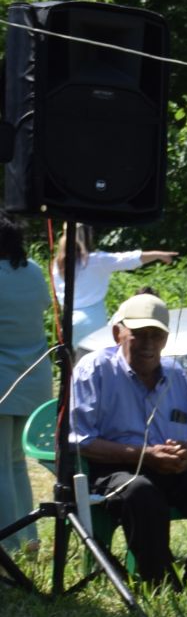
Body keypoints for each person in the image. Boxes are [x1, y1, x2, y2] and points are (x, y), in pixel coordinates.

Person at [68, 294, 187, 588]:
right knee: (140, 490)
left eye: (156, 336)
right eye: (139, 335)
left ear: (166, 339)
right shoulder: (94, 369)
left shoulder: (175, 375)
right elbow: (80, 441)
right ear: (118, 333)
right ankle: (160, 584)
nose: (148, 344)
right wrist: (145, 455)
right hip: (112, 471)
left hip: (170, 468)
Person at [0, 214, 51, 554]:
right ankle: (29, 537)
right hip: (34, 379)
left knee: (1, 466)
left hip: (3, 381)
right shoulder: (33, 271)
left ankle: (7, 542)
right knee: (17, 463)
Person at [51, 225, 177, 343]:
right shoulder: (97, 260)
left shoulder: (57, 265)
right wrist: (159, 255)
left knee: (72, 363)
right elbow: (128, 259)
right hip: (93, 321)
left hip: (69, 322)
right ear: (89, 236)